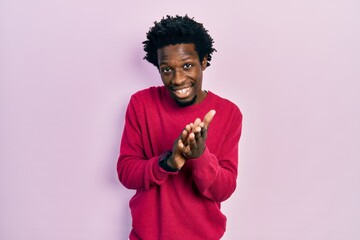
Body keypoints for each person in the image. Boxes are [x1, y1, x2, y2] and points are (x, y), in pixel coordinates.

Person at [117, 15, 243, 240]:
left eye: (187, 66)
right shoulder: (141, 104)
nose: (177, 79)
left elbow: (224, 190)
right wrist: (168, 163)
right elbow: (126, 173)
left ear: (203, 61)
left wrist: (200, 156)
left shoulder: (229, 113)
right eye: (167, 69)